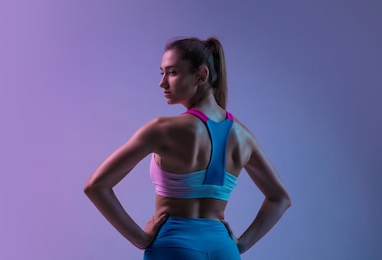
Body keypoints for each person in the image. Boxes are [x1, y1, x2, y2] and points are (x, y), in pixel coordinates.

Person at [83, 37, 291, 260]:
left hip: (173, 248)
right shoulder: (243, 137)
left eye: (172, 73)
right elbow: (280, 198)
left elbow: (96, 186)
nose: (162, 83)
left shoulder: (161, 129)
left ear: (201, 75)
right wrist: (240, 244)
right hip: (224, 251)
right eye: (161, 73)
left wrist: (140, 238)